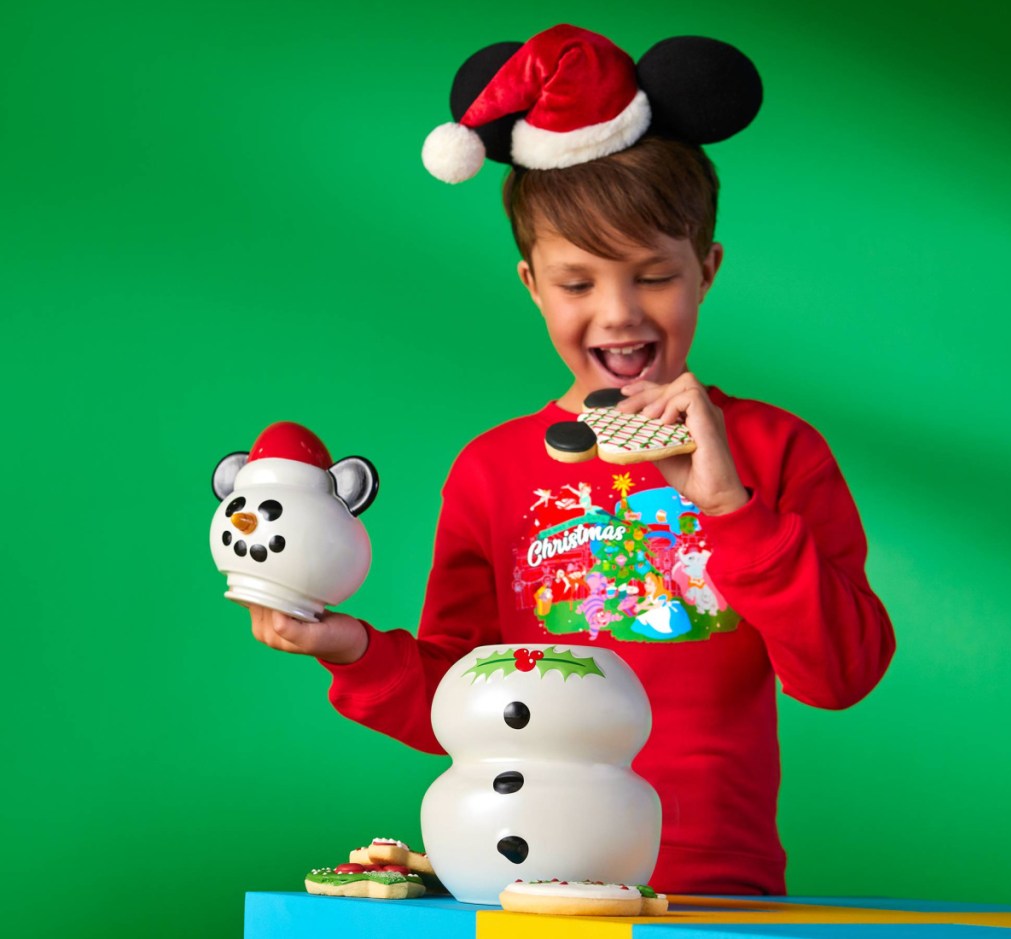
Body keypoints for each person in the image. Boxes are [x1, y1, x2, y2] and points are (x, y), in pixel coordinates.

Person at [249, 24, 894, 895]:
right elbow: (463, 697)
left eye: (653, 275)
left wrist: (732, 508)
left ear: (707, 270)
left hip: (715, 882)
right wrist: (348, 647)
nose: (619, 314)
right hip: (530, 885)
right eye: (579, 282)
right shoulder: (492, 468)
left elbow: (841, 675)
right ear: (531, 284)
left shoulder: (776, 449)